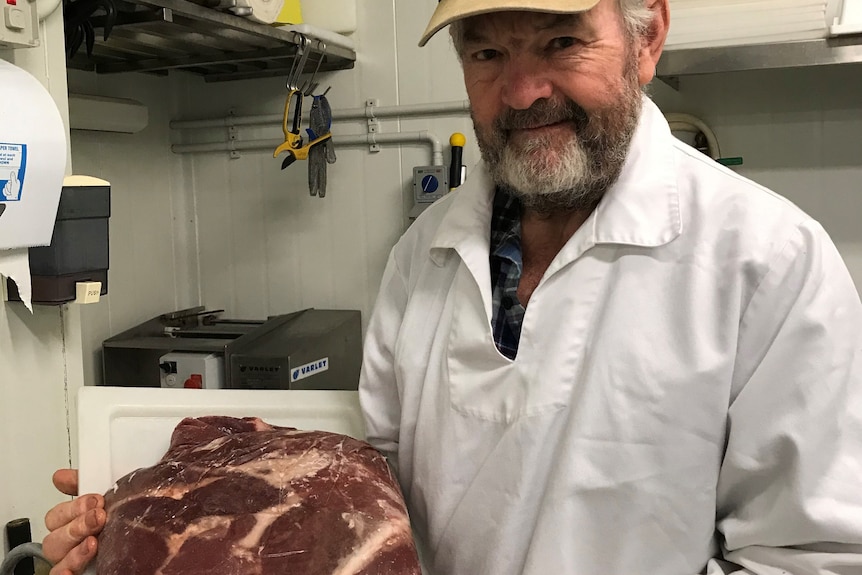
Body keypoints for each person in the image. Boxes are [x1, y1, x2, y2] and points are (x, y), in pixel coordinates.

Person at [42, 0, 862, 574]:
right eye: (487, 52)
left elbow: (811, 558)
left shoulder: (768, 262)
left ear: (648, 35)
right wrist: (181, 497)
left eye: (560, 43)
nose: (523, 90)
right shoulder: (421, 257)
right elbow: (385, 495)